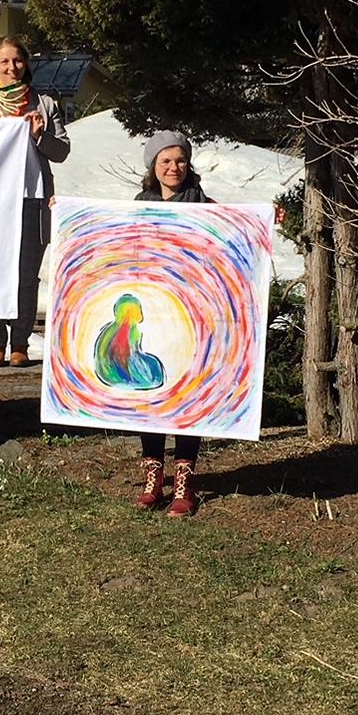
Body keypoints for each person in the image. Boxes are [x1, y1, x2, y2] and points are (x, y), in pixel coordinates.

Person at [0, 35, 70, 366]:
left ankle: (20, 344)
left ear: (26, 64)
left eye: (18, 61)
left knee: (26, 274)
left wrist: (39, 135)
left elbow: (62, 151)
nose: (11, 67)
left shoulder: (45, 104)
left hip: (33, 200)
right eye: (4, 61)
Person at [130, 131, 211, 517]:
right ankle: (153, 477)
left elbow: (234, 234)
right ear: (153, 166)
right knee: (150, 394)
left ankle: (184, 481)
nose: (173, 167)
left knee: (185, 394)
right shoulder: (139, 205)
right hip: (151, 312)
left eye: (179, 160)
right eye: (165, 161)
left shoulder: (204, 204)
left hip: (190, 314)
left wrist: (266, 217)